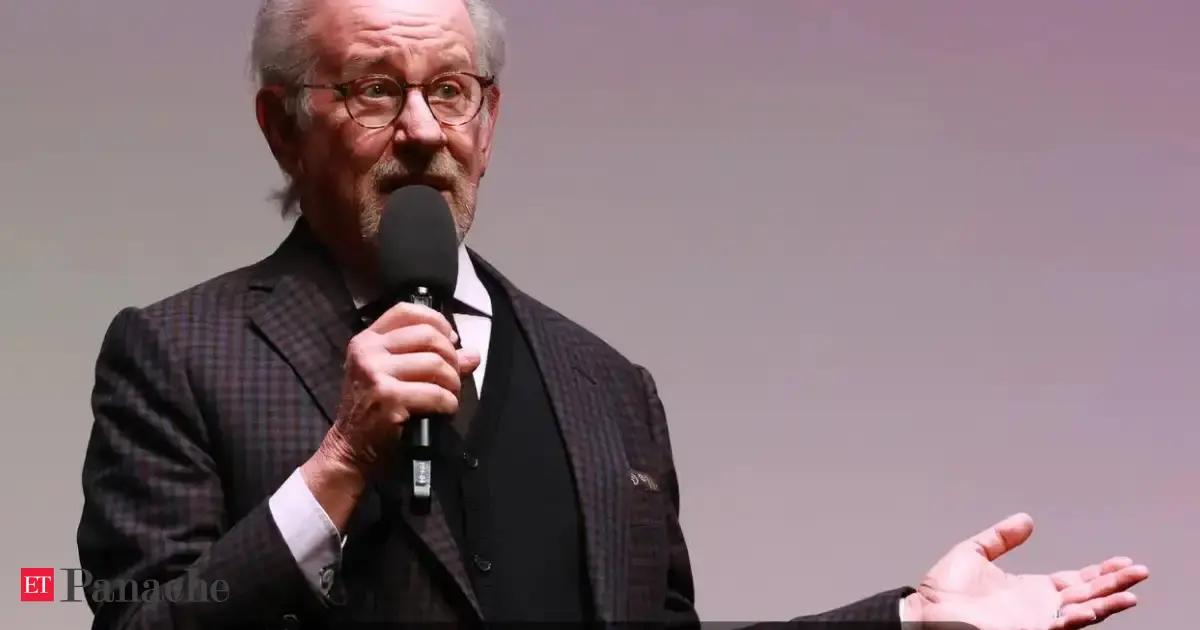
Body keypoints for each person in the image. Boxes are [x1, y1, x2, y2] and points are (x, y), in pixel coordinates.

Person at [75, 0, 1150, 628]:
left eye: (450, 90)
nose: (422, 130)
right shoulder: (177, 354)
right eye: (372, 89)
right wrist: (338, 468)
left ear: (489, 122)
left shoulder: (605, 386)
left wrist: (910, 619)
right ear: (282, 127)